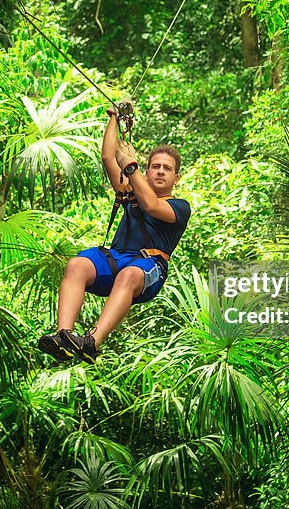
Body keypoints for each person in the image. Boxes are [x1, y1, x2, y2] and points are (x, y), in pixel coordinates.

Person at [37, 103, 192, 363]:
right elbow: (109, 158)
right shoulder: (130, 189)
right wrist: (113, 119)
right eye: (155, 166)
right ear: (148, 170)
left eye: (167, 168)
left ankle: (92, 342)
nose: (160, 171)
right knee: (77, 265)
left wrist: (131, 168)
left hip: (147, 266)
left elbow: (152, 206)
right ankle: (64, 336)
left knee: (130, 274)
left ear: (176, 178)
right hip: (116, 258)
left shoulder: (179, 207)